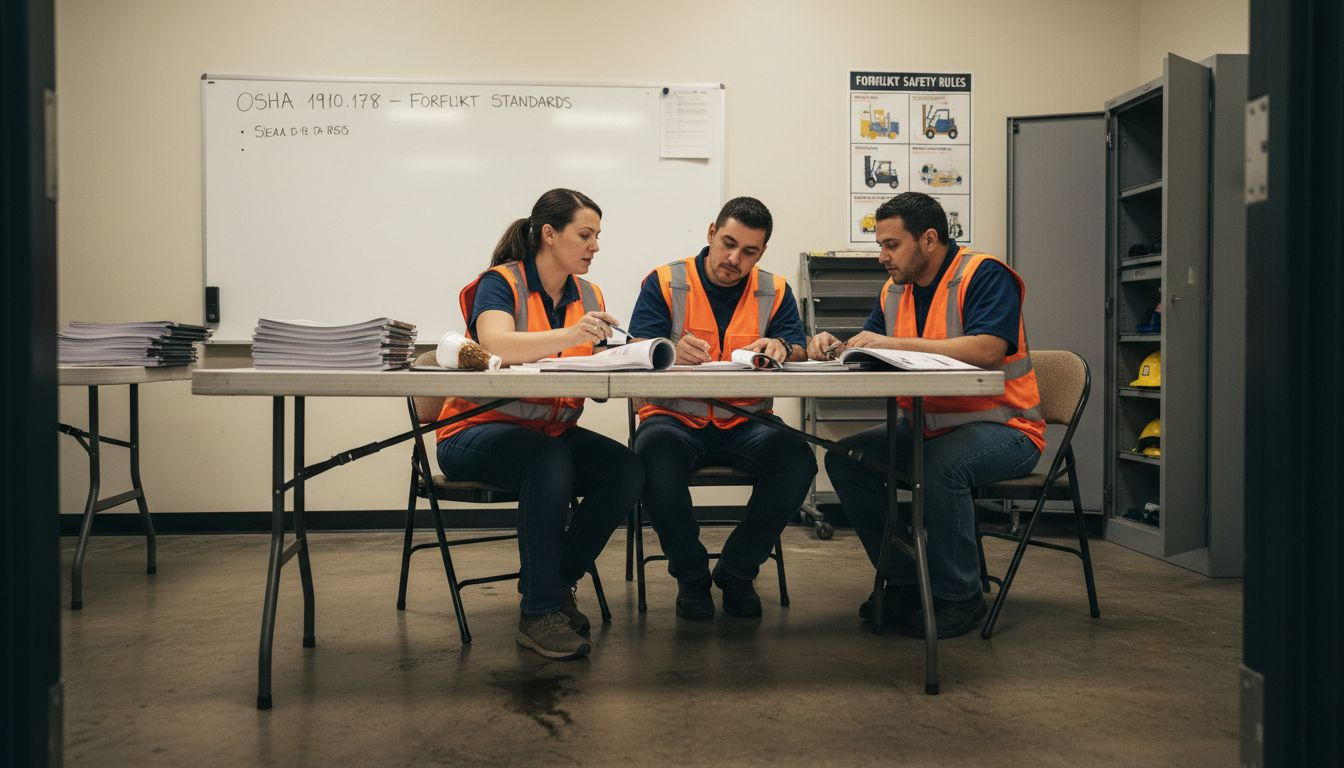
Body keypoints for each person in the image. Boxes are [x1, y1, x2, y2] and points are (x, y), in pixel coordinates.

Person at [809, 192, 1045, 639]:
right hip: (925, 428)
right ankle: (904, 582)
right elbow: (874, 347)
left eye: (891, 245)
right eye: (880, 245)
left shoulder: (984, 275)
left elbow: (988, 349)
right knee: (845, 459)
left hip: (1006, 428)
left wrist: (891, 344)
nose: (882, 256)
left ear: (929, 239)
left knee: (941, 468)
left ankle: (960, 596)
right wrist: (837, 346)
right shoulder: (894, 290)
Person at [435, 188, 644, 660]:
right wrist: (571, 335)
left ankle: (555, 581)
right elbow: (496, 345)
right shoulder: (499, 283)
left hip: (550, 432)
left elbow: (587, 364)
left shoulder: (589, 294)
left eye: (597, 236)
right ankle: (539, 611)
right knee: (549, 462)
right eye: (585, 235)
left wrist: (629, 357)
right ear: (549, 234)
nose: (595, 246)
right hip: (473, 430)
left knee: (626, 470)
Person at [628, 196, 816, 619]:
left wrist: (782, 347)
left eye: (749, 251)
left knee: (798, 461)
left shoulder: (775, 289)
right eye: (728, 244)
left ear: (761, 252)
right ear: (712, 233)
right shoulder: (665, 281)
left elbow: (798, 345)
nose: (734, 259)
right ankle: (691, 575)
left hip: (748, 421)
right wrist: (668, 349)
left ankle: (737, 571)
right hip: (673, 418)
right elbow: (637, 346)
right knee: (651, 462)